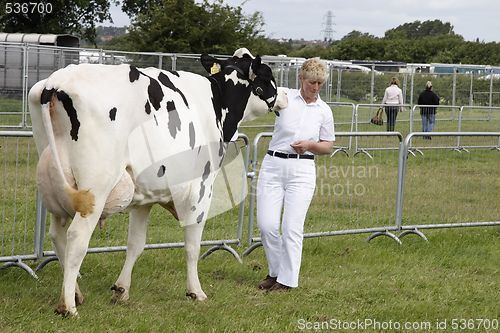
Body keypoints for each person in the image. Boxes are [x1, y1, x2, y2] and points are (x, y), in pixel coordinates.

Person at [256, 58, 335, 291]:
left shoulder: (324, 110)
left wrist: (310, 145)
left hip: (302, 171)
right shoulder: (284, 97)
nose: (316, 87)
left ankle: (287, 281)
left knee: (291, 227)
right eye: (312, 82)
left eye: (320, 83)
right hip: (272, 165)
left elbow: (328, 145)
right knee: (267, 225)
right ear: (300, 79)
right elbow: (261, 96)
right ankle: (275, 272)